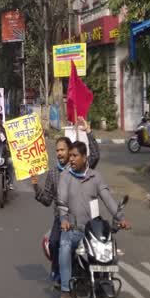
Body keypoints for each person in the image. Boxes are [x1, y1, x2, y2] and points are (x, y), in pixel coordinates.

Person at [56, 141, 130, 298]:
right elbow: (61, 200)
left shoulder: (95, 177)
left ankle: (105, 282)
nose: (71, 159)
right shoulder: (66, 176)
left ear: (84, 157)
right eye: (71, 156)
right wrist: (64, 220)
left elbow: (108, 200)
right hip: (73, 230)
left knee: (110, 248)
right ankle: (66, 289)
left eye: (75, 156)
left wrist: (121, 218)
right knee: (65, 245)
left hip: (93, 232)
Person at [32, 116, 99, 287]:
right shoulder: (53, 173)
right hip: (61, 220)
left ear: (71, 152)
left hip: (84, 218)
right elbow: (47, 200)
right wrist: (35, 187)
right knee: (55, 243)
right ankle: (57, 271)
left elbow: (95, 156)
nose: (60, 153)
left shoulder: (82, 167)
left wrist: (89, 133)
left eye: (63, 150)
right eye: (57, 151)